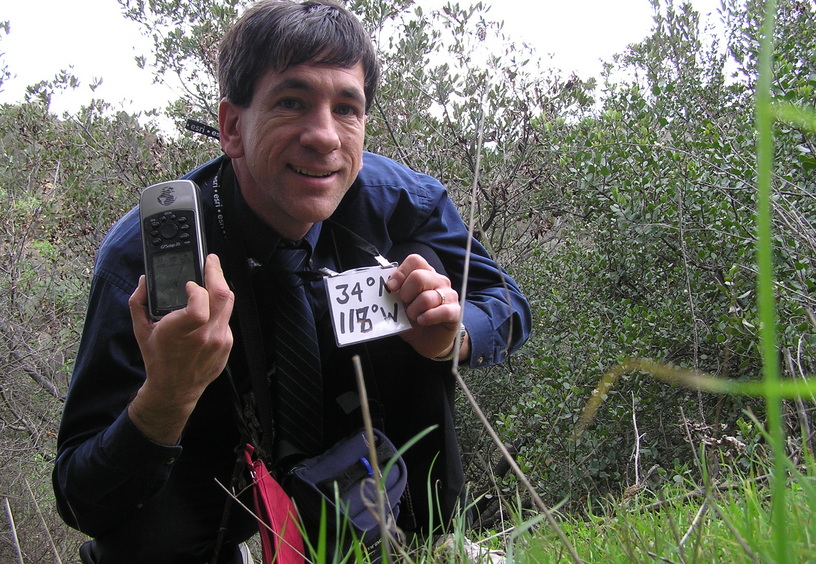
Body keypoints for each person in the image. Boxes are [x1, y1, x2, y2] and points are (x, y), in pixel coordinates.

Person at [52, 1, 531, 562]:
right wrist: (168, 394)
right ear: (232, 126)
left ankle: (430, 541)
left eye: (346, 108)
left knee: (422, 294)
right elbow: (81, 498)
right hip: (214, 469)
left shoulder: (400, 206)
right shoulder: (146, 259)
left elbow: (505, 302)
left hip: (359, 443)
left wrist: (452, 336)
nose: (324, 136)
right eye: (292, 102)